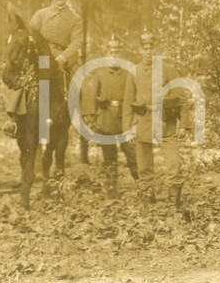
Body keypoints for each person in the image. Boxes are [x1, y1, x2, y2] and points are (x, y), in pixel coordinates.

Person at [2, 0, 84, 138]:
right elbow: (29, 34)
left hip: (64, 56)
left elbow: (77, 42)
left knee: (82, 82)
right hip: (41, 56)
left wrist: (64, 57)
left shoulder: (75, 19)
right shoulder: (41, 14)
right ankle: (14, 120)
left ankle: (83, 120)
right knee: (23, 79)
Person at [123, 29, 191, 207]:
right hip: (143, 120)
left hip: (165, 120)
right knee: (144, 164)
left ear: (156, 49)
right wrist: (128, 129)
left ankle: (173, 199)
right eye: (145, 49)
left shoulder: (167, 70)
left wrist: (184, 124)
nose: (148, 52)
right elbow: (128, 102)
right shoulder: (134, 72)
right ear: (140, 50)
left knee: (173, 162)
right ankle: (148, 193)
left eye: (151, 48)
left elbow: (182, 97)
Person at [81, 35, 139, 194]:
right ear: (107, 53)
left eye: (118, 51)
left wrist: (135, 118)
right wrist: (92, 119)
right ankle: (112, 190)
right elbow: (92, 97)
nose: (115, 55)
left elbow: (136, 96)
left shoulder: (128, 73)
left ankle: (144, 188)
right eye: (112, 51)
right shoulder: (100, 73)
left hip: (124, 121)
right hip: (106, 121)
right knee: (109, 158)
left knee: (133, 156)